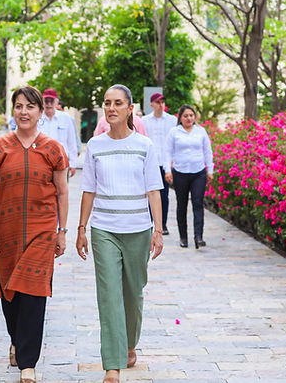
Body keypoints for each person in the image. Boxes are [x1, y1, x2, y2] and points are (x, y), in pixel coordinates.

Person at [0, 86, 70, 383]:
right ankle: (17, 341)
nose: (23, 112)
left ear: (40, 111)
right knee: (10, 294)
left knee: (34, 293)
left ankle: (28, 364)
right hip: (4, 233)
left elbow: (62, 191)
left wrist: (62, 231)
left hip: (42, 231)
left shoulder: (54, 149)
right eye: (18, 106)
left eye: (29, 106)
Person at [77, 84, 164, 383]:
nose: (111, 108)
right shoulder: (95, 146)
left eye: (118, 103)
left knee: (133, 292)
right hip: (104, 229)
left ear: (130, 109)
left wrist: (159, 231)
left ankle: (128, 342)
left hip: (138, 229)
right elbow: (88, 190)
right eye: (107, 103)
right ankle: (112, 365)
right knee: (109, 294)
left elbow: (154, 191)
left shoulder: (145, 146)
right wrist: (81, 229)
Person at [164, 104, 214, 249]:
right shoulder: (174, 132)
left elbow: (207, 152)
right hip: (180, 173)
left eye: (191, 115)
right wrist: (168, 170)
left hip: (198, 173)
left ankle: (198, 237)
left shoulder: (201, 131)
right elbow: (167, 152)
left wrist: (209, 170)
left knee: (198, 204)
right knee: (182, 205)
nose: (188, 118)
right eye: (185, 116)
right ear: (180, 117)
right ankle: (183, 237)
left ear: (195, 117)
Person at [141, 92, 177, 236]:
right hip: (150, 163)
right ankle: (150, 221)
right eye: (158, 102)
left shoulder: (172, 120)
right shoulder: (144, 121)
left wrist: (172, 163)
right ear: (152, 105)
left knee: (164, 195)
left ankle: (163, 223)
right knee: (150, 193)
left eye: (162, 102)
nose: (161, 105)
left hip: (165, 163)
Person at [37, 88, 80, 177]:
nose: (49, 104)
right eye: (46, 101)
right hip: (41, 163)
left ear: (57, 102)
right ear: (42, 102)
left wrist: (73, 164)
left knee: (61, 190)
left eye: (51, 101)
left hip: (62, 163)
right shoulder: (37, 118)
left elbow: (71, 142)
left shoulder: (66, 118)